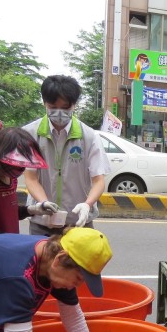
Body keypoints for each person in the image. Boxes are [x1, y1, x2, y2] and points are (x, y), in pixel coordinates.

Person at [23, 75, 111, 236]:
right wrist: (43, 203)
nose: (59, 113)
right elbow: (31, 177)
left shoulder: (89, 136)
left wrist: (87, 205)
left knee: (80, 262)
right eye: (53, 106)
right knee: (40, 261)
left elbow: (98, 180)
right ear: (44, 103)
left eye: (65, 107)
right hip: (42, 223)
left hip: (78, 223)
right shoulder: (31, 134)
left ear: (74, 105)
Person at [0, 127, 60, 249]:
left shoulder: (10, 177)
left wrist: (33, 210)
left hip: (4, 246)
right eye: (17, 164)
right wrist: (12, 241)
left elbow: (8, 211)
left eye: (23, 165)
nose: (21, 169)